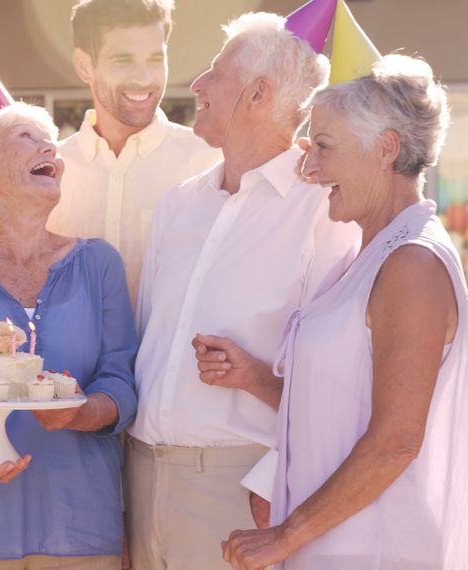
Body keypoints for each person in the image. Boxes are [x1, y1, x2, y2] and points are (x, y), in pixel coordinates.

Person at [213, 55, 467, 570]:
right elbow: (344, 401)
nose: (309, 169)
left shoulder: (412, 263)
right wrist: (257, 379)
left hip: (376, 549)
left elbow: (395, 441)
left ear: (386, 149)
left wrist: (285, 536)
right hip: (336, 545)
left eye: (323, 148)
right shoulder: (369, 254)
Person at [126, 12, 360, 570]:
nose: (196, 85)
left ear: (258, 93)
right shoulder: (177, 204)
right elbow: (145, 344)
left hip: (242, 493)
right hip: (140, 478)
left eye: (214, 71)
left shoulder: (325, 211)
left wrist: (270, 474)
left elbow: (344, 381)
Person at [0, 101, 138, 569]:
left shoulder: (98, 265)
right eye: (25, 138)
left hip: (79, 524)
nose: (48, 147)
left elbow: (121, 379)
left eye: (49, 140)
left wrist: (82, 412)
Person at [0, 0, 220, 307]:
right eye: (123, 61)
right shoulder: (42, 176)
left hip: (172, 357)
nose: (144, 78)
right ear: (85, 66)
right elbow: (1, 259)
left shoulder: (210, 162)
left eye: (155, 59)